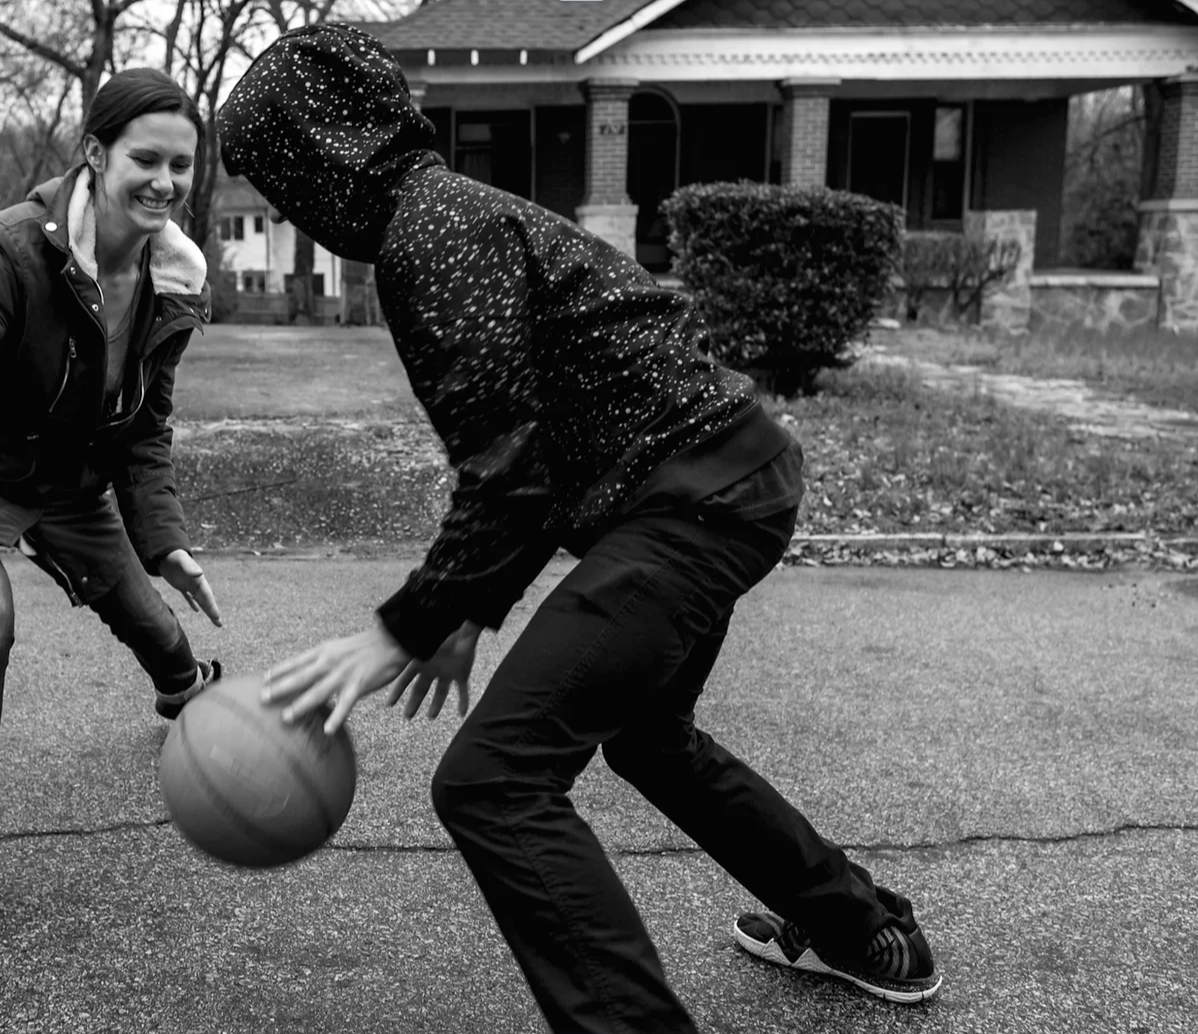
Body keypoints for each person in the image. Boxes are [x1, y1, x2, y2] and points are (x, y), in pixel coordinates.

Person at [218, 24, 940, 1033]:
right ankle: (865, 932)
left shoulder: (429, 233)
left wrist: (403, 627)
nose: (284, 203)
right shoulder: (447, 213)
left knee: (491, 782)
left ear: (320, 149)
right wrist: (473, 607)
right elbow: (544, 439)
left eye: (275, 173)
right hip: (728, 476)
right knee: (647, 739)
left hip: (693, 499)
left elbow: (510, 475)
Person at [0, 68, 224, 967]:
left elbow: (143, 427)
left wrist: (164, 537)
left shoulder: (174, 279)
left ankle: (183, 686)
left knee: (147, 615)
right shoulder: (12, 246)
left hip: (65, 478)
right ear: (96, 155)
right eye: (146, 158)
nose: (165, 183)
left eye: (181, 165)